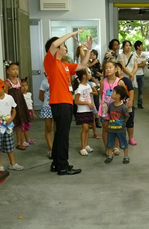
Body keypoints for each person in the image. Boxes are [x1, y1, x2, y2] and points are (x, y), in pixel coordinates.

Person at [44, 29, 92, 175]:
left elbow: (83, 66)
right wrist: (71, 34)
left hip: (66, 103)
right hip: (59, 103)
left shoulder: (64, 65)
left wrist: (88, 50)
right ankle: (63, 166)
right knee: (63, 136)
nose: (65, 47)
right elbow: (53, 44)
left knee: (60, 134)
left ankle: (56, 163)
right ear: (56, 49)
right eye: (64, 45)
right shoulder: (50, 62)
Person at [98, 61, 126, 155]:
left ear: (115, 69)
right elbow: (101, 95)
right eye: (106, 68)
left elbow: (123, 94)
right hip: (105, 109)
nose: (108, 69)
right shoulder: (102, 82)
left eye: (110, 67)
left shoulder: (120, 82)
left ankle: (115, 146)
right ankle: (107, 148)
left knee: (116, 127)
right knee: (106, 129)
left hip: (116, 110)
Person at [3, 60, 31, 150]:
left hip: (20, 104)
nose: (15, 71)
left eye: (17, 69)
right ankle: (6, 144)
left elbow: (21, 92)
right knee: (9, 125)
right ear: (8, 71)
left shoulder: (19, 80)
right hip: (12, 106)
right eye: (13, 69)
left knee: (19, 124)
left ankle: (20, 142)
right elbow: (5, 95)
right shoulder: (7, 83)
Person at [74, 68, 96, 156]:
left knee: (87, 129)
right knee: (85, 128)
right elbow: (76, 101)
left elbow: (89, 96)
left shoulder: (88, 85)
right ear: (84, 76)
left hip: (88, 110)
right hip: (82, 111)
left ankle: (86, 144)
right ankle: (82, 147)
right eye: (88, 73)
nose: (90, 74)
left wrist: (91, 104)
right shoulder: (79, 87)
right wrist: (87, 103)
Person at [105, 85, 130, 164]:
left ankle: (126, 156)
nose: (112, 93)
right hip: (111, 128)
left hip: (120, 129)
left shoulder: (123, 107)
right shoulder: (111, 105)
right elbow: (109, 114)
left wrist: (122, 123)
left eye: (113, 92)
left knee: (123, 142)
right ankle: (109, 155)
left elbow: (126, 116)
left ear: (118, 96)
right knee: (110, 142)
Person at [116, 63, 137, 146]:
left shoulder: (125, 80)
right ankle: (118, 139)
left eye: (118, 69)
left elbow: (131, 91)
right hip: (117, 105)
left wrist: (131, 100)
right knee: (118, 122)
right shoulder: (111, 80)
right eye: (115, 68)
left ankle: (131, 137)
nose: (117, 70)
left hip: (126, 103)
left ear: (121, 71)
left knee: (130, 121)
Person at [39, 73, 55, 159]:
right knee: (48, 128)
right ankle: (51, 149)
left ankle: (57, 147)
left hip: (57, 107)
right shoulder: (44, 82)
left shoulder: (57, 81)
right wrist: (47, 102)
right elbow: (40, 96)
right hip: (47, 107)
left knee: (57, 128)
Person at [88, 49, 102, 128]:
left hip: (97, 83)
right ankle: (91, 120)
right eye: (91, 54)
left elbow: (101, 72)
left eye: (93, 55)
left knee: (96, 101)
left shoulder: (97, 62)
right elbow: (88, 68)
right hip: (89, 84)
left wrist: (100, 75)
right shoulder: (88, 62)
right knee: (90, 101)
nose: (92, 56)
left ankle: (97, 119)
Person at [20, 77, 37, 146]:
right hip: (22, 113)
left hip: (28, 112)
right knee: (22, 128)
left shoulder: (29, 94)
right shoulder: (19, 96)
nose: (24, 87)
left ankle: (27, 139)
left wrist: (33, 113)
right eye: (22, 86)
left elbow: (30, 104)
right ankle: (22, 141)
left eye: (26, 85)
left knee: (27, 127)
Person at [133, 40, 147, 109]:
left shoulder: (143, 55)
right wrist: (139, 64)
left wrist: (136, 65)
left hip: (141, 74)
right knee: (133, 90)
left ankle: (140, 103)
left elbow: (144, 64)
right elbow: (132, 65)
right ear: (138, 47)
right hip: (134, 74)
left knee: (141, 90)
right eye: (141, 46)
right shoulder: (133, 55)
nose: (142, 47)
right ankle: (132, 104)